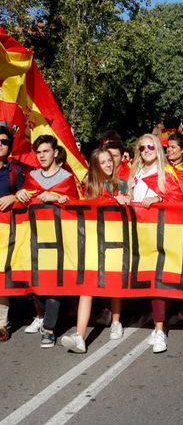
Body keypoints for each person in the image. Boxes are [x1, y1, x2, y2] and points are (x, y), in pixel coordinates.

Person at [60, 148, 129, 354]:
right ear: (95, 166)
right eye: (103, 162)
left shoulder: (122, 184)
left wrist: (123, 201)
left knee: (114, 282)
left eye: (110, 160)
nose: (108, 164)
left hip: (116, 239)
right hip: (93, 240)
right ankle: (80, 336)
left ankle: (116, 321)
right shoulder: (88, 186)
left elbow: (128, 208)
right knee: (87, 286)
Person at [16, 135, 81, 348]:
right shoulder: (31, 176)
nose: (42, 155)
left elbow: (76, 206)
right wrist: (21, 193)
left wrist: (58, 199)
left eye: (45, 151)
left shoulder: (66, 178)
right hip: (35, 240)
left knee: (55, 283)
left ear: (55, 152)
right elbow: (24, 202)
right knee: (35, 284)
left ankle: (49, 329)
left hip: (61, 240)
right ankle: (53, 314)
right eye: (39, 152)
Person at [129, 133, 183, 354]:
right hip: (139, 234)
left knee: (157, 281)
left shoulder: (167, 173)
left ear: (158, 149)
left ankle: (160, 329)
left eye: (151, 147)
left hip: (162, 233)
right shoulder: (133, 174)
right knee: (147, 281)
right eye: (142, 147)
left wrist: (160, 199)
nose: (146, 151)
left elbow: (181, 201)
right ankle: (158, 323)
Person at [0, 126, 24, 342]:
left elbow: (26, 193)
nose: (0, 144)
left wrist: (14, 197)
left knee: (1, 275)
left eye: (5, 141)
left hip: (6, 229)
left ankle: (2, 324)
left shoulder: (15, 170)